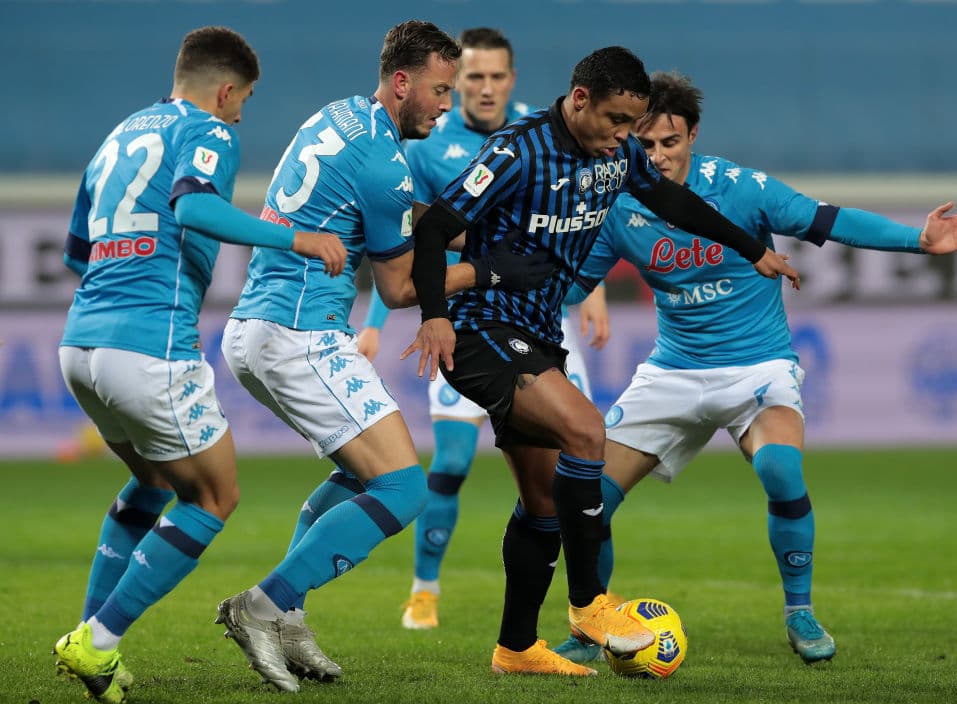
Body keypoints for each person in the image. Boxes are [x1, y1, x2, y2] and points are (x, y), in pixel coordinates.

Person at [549, 72, 957, 665]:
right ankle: (592, 630)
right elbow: (572, 283)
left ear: (693, 136)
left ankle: (799, 612)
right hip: (672, 372)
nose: (656, 157)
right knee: (589, 498)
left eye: (669, 143)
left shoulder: (741, 188)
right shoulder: (622, 205)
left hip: (756, 366)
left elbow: (828, 220)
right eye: (645, 144)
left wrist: (919, 239)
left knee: (782, 470)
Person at [404, 47, 799, 676]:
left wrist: (752, 249)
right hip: (481, 330)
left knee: (540, 506)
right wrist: (434, 315)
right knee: (588, 430)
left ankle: (515, 648)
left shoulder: (615, 154)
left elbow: (676, 204)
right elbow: (431, 230)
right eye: (616, 120)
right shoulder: (517, 150)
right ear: (580, 99)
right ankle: (590, 605)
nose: (625, 137)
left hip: (535, 334)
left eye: (632, 125)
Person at [213, 21, 550, 692]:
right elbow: (398, 286)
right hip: (297, 334)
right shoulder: (386, 163)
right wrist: (489, 271)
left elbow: (391, 212)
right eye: (439, 90)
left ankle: (290, 616)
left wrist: (464, 226)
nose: (445, 105)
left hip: (262, 327)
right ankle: (263, 605)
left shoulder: (340, 118)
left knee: (364, 475)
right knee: (403, 488)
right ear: (403, 83)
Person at [53, 26, 347, 704]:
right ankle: (95, 643)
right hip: (150, 345)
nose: (241, 113)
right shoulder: (208, 129)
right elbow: (194, 204)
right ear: (225, 89)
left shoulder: (117, 138)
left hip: (80, 345)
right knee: (214, 496)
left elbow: (76, 251)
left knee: (153, 483)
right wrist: (296, 235)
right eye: (242, 99)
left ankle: (91, 637)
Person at [354, 27, 610, 632]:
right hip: (464, 316)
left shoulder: (544, 132)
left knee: (565, 464)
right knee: (452, 461)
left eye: (497, 76)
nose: (485, 87)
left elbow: (576, 211)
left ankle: (562, 615)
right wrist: (375, 321)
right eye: (472, 78)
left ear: (512, 79)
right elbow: (399, 236)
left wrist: (592, 287)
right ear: (457, 81)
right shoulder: (423, 141)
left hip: (541, 316)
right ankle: (425, 589)